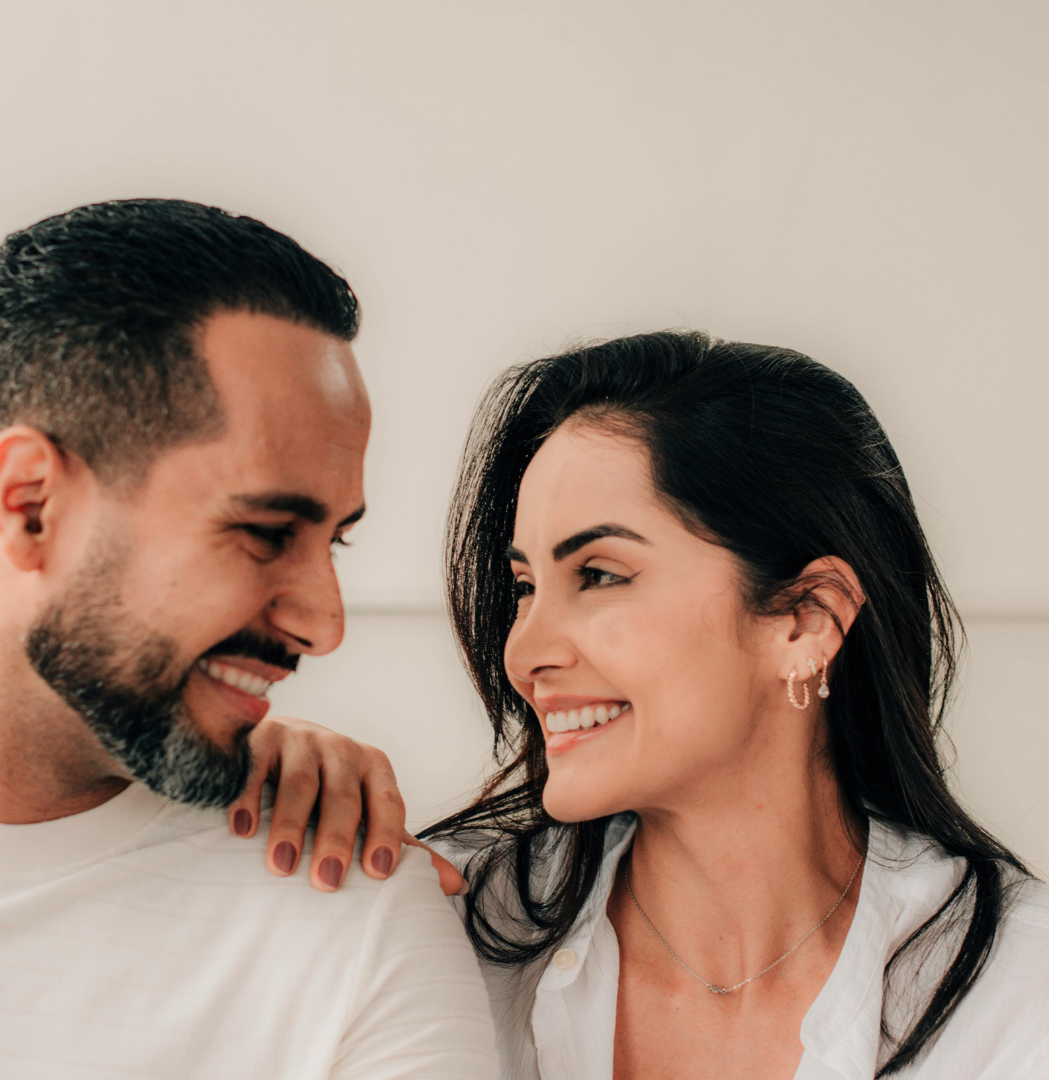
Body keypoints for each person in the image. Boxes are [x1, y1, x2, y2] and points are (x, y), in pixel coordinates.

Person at [253, 331, 1049, 1077]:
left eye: (599, 575)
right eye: (526, 587)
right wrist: (230, 800)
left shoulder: (1017, 989)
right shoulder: (438, 930)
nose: (523, 652)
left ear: (807, 620)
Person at [0, 199, 497, 1078]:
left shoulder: (348, 916)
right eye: (264, 532)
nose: (325, 627)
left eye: (335, 541)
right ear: (31, 504)